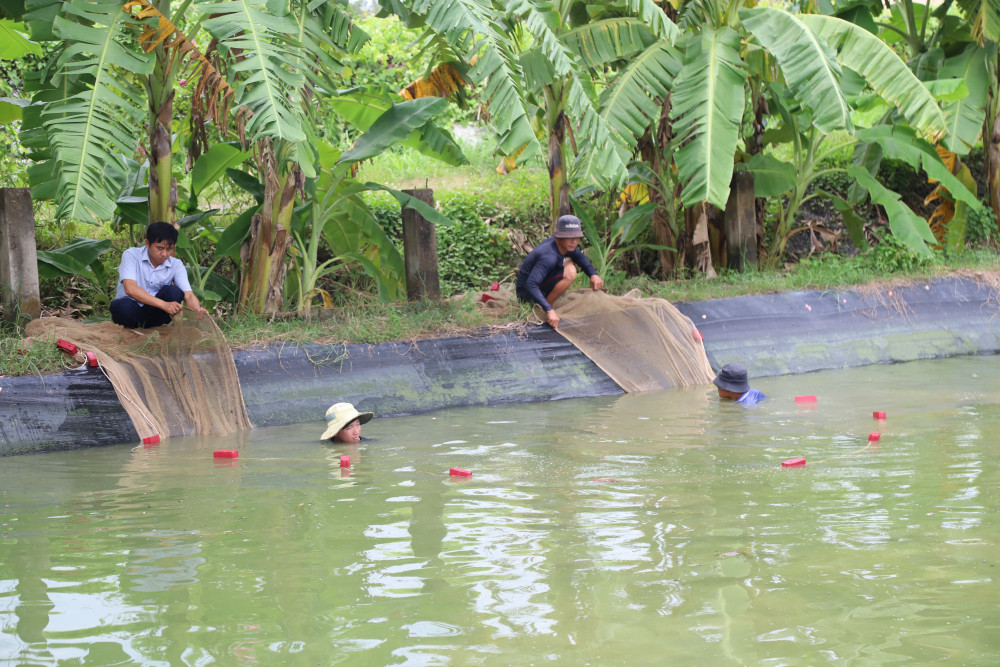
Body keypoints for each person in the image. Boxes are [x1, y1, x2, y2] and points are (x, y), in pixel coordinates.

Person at [109, 221, 208, 328]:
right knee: (123, 306)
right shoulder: (131, 255)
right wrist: (164, 304)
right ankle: (130, 330)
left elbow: (188, 294)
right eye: (160, 248)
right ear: (147, 243)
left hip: (155, 315)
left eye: (169, 249)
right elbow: (130, 289)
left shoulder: (176, 264)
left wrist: (197, 310)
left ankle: (155, 328)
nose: (164, 254)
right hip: (131, 311)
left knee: (174, 292)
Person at [515, 214, 604, 330]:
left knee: (570, 264)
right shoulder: (548, 256)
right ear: (560, 237)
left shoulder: (562, 245)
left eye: (577, 237)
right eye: (570, 237)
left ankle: (545, 305)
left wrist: (593, 274)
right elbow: (531, 284)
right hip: (526, 294)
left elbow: (579, 257)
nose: (574, 241)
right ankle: (542, 309)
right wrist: (549, 310)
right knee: (570, 271)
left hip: (538, 283)